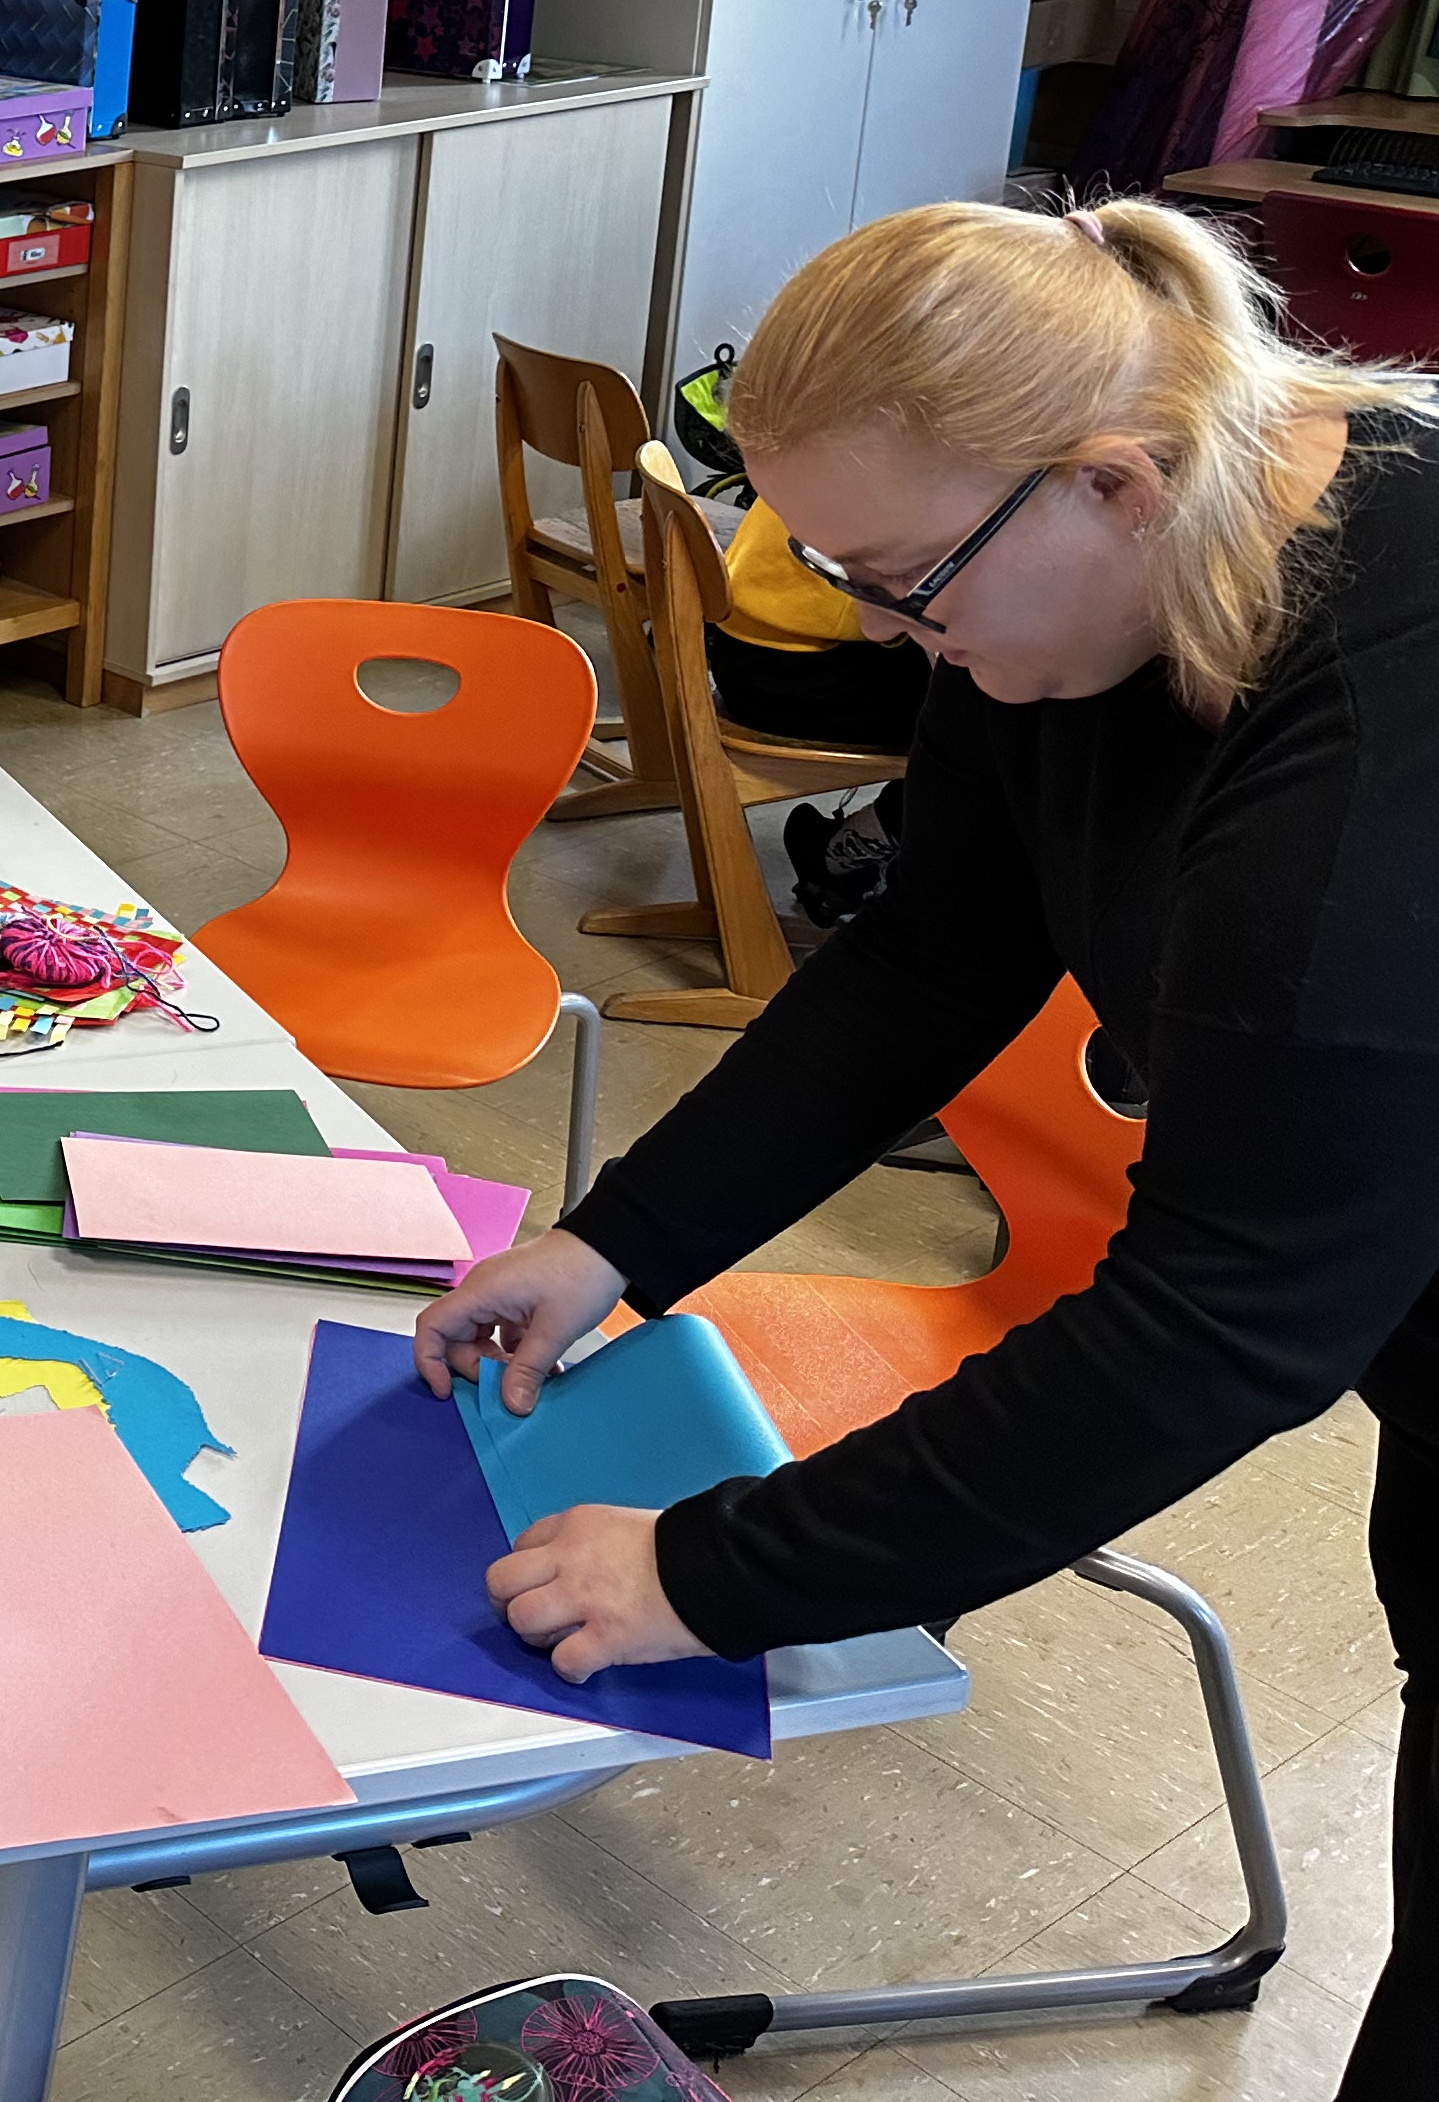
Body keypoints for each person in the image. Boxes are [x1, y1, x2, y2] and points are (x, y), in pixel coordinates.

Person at [414, 197, 1439, 2099]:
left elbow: (1216, 1324)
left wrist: (715, 1572)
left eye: (900, 583)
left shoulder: (1381, 738)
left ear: (1112, 485)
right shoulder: (1061, 599)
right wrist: (618, 1239)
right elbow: (936, 950)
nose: (889, 637)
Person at [706, 493, 930, 925]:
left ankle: (865, 847)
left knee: (998, 719)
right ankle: (847, 850)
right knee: (995, 728)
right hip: (800, 677)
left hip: (751, 652)